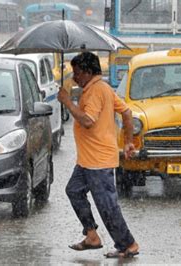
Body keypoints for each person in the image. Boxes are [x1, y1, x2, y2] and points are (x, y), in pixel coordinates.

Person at [57, 52, 140, 258]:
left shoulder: (95, 91)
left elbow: (87, 121)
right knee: (74, 191)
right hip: (87, 161)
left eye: (77, 73)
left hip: (98, 161)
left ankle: (128, 244)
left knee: (107, 205)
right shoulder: (102, 87)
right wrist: (128, 141)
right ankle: (92, 236)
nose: (74, 77)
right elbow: (127, 113)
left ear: (87, 72)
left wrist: (68, 102)